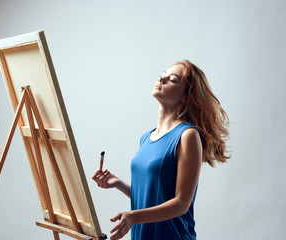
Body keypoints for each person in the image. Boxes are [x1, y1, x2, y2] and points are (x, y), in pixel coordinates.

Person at [92, 60, 230, 240]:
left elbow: (181, 203)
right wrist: (118, 183)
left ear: (186, 97)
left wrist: (134, 217)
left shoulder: (187, 136)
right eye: (162, 74)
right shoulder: (145, 138)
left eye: (172, 79)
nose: (162, 78)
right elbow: (153, 196)